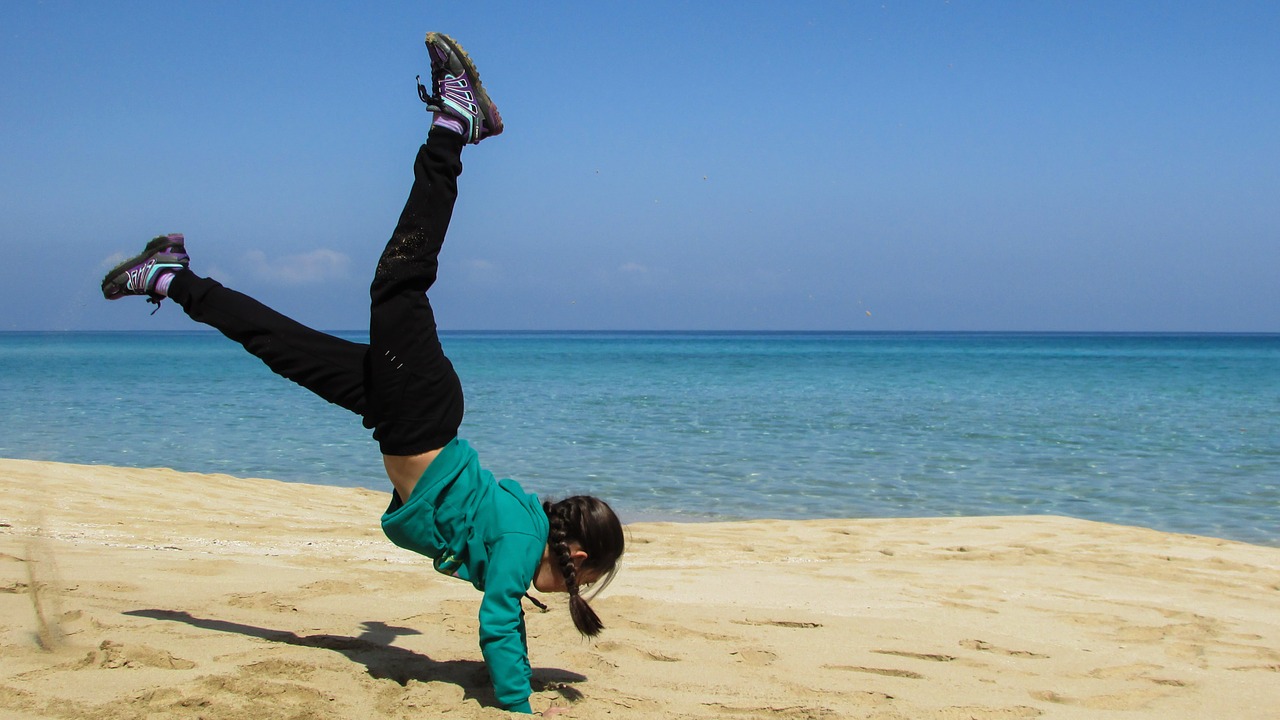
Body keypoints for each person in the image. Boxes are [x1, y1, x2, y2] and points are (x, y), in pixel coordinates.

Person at [100, 32, 625, 715]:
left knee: (279, 345)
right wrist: (517, 708)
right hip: (419, 414)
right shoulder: (521, 546)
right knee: (399, 283)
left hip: (403, 412)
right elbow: (498, 625)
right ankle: (454, 127)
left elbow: (510, 622)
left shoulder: (521, 550)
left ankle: (171, 275)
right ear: (578, 560)